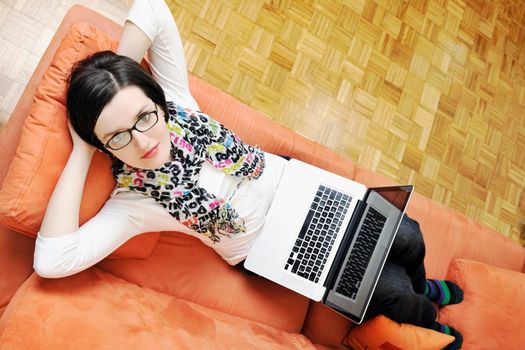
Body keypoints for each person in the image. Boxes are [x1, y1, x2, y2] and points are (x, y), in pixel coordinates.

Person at [34, 0, 463, 348]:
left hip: (300, 189)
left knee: (409, 233)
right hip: (269, 246)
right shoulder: (134, 202)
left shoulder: (179, 105)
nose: (144, 142)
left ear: (158, 101)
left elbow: (153, 7)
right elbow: (52, 261)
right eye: (118, 137)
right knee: (389, 293)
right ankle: (425, 316)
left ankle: (425, 287)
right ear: (103, 145)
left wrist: (114, 79)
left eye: (145, 116)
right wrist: (82, 149)